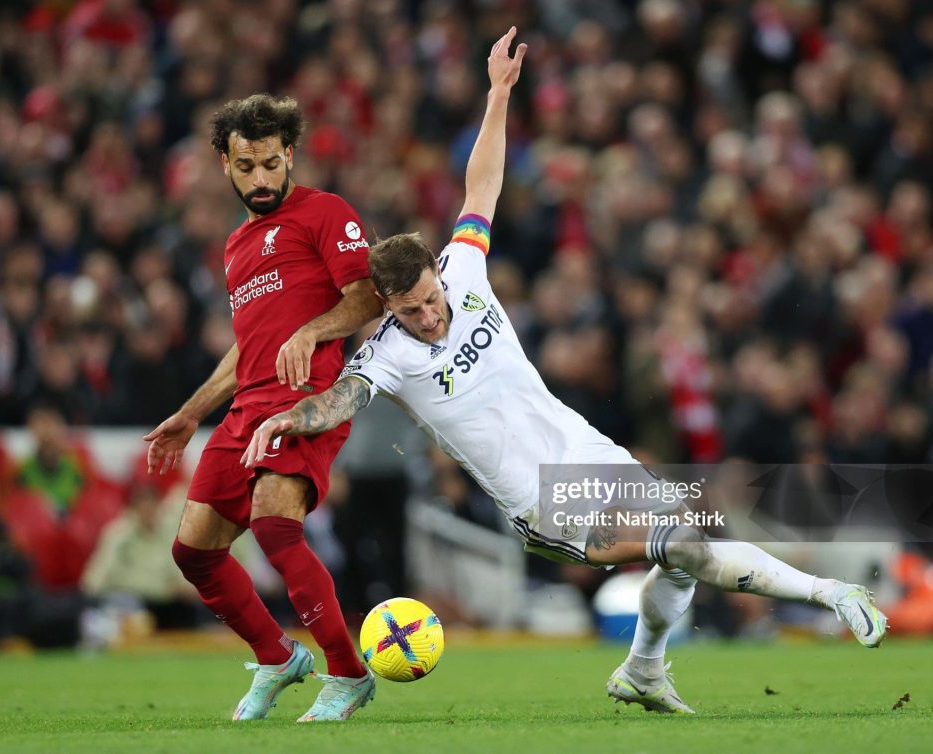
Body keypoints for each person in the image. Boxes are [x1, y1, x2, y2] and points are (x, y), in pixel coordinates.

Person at [241, 27, 888, 715]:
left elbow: (482, 182)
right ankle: (832, 596)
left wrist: (497, 95)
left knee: (685, 536)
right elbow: (340, 399)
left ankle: (643, 670)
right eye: (411, 311)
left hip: (585, 449)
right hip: (541, 500)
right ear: (386, 308)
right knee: (688, 545)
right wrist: (287, 416)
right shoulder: (388, 357)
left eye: (430, 300)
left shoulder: (464, 269)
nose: (430, 317)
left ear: (438, 274)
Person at [144, 92, 383, 722]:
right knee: (193, 552)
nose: (261, 179)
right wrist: (193, 411)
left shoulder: (326, 212)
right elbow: (248, 348)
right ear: (225, 163)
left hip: (306, 399)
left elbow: (366, 299)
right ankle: (279, 657)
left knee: (277, 526)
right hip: (245, 406)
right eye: (246, 166)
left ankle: (348, 672)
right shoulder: (235, 247)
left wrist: (312, 332)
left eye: (272, 164)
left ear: (290, 155)